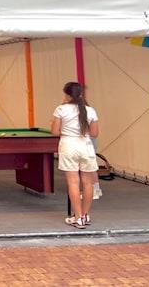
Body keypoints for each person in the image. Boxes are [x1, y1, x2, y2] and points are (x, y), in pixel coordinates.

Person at [52, 82, 99, 229]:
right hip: (86, 146)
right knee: (88, 183)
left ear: (67, 94)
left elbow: (54, 131)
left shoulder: (61, 109)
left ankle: (77, 217)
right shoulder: (90, 110)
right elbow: (95, 133)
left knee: (73, 182)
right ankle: (85, 215)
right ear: (81, 94)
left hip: (68, 145)